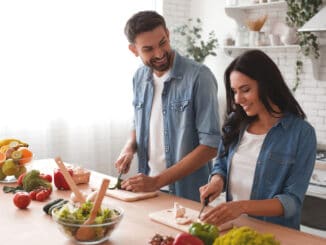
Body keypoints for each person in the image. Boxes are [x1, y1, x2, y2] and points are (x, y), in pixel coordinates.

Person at [199, 49, 316, 229]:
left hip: (276, 236)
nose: (238, 99)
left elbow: (291, 201)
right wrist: (216, 181)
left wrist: (241, 206)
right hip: (234, 231)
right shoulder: (234, 123)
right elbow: (221, 164)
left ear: (267, 85)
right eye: (234, 91)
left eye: (245, 90)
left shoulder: (301, 133)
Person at [114, 10, 221, 201]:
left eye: (162, 43)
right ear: (133, 50)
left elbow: (210, 146)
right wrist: (129, 148)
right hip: (149, 192)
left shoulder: (199, 77)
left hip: (188, 195)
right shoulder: (139, 77)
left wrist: (157, 181)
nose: (159, 53)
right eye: (148, 49)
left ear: (168, 34)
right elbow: (138, 122)